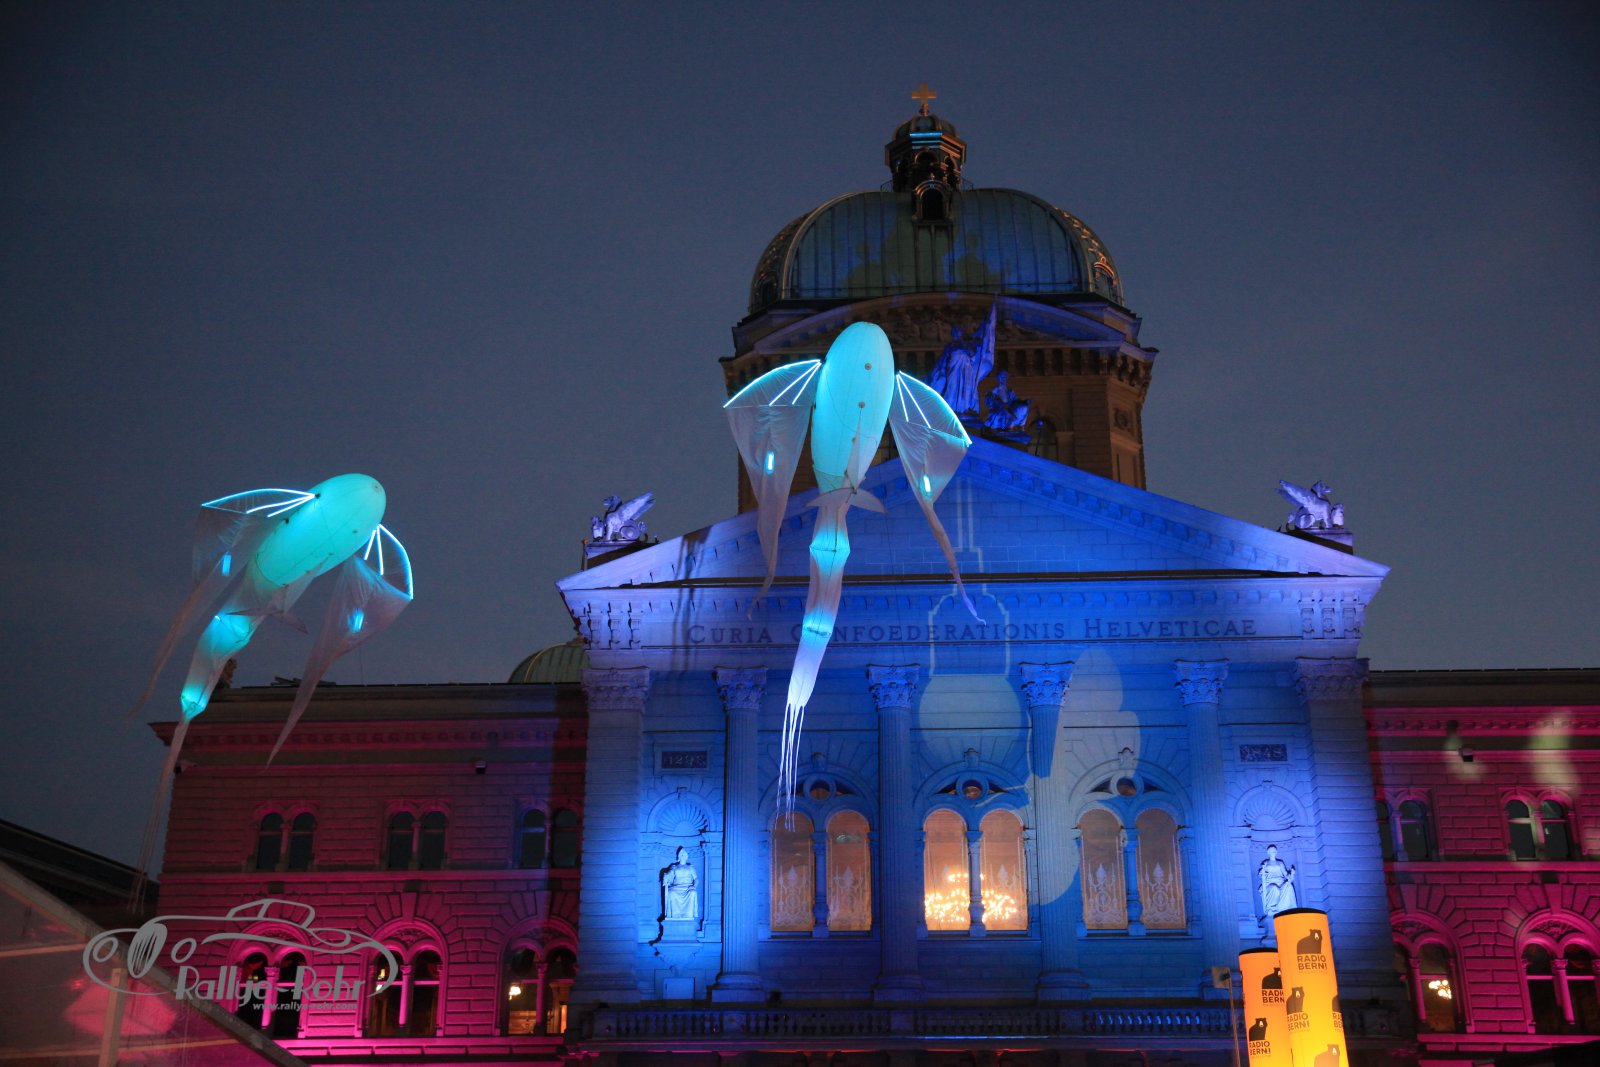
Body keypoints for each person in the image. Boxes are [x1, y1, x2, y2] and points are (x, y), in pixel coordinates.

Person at [1258, 844, 1297, 918]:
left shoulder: (1280, 863)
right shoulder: (1265, 863)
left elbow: (1285, 874)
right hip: (1269, 884)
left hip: (1281, 883)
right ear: (1268, 853)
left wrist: (1291, 874)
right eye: (1271, 851)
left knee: (1289, 886)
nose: (1273, 852)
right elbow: (1261, 874)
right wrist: (1262, 872)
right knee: (1274, 888)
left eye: (1274, 851)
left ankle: (1288, 909)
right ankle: (1272, 908)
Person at [662, 847, 698, 920]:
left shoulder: (690, 867)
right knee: (671, 893)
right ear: (679, 856)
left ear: (686, 856)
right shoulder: (674, 867)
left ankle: (688, 915)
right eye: (681, 854)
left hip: (688, 888)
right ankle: (674, 915)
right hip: (676, 888)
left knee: (693, 893)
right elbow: (669, 875)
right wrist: (666, 877)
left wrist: (694, 886)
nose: (683, 856)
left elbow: (696, 879)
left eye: (684, 854)